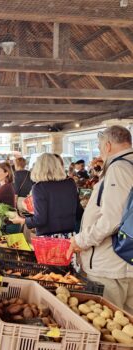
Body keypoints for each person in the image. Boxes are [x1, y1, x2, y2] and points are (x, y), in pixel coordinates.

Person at [68, 125, 133, 313]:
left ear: (108, 145)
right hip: (126, 260)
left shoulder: (119, 168)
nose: (99, 151)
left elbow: (111, 219)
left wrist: (81, 240)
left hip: (112, 264)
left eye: (99, 146)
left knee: (112, 322)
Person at [10, 153, 82, 237]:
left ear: (38, 168)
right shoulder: (70, 183)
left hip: (49, 238)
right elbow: (78, 211)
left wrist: (22, 220)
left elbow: (40, 220)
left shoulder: (39, 188)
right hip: (70, 235)